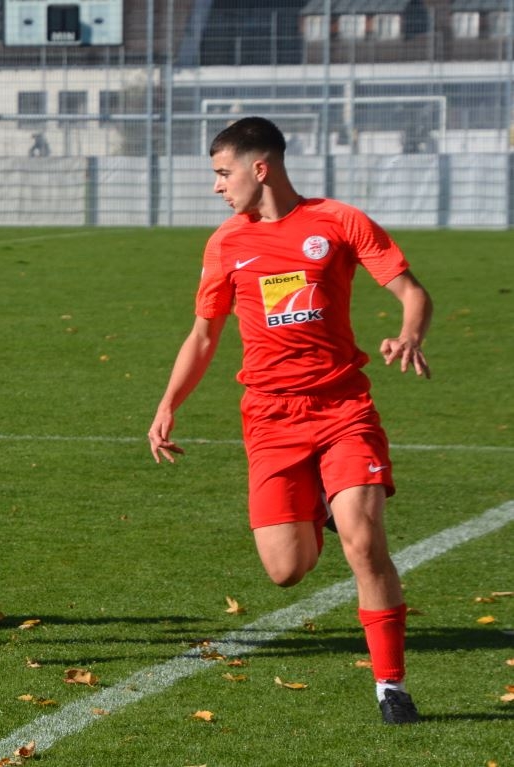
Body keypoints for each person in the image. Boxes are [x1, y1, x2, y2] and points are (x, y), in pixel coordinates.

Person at [147, 117, 432, 724]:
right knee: (286, 570)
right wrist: (168, 404)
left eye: (223, 173)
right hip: (270, 419)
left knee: (364, 542)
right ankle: (325, 503)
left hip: (341, 408)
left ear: (261, 168)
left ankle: (391, 686)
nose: (217, 186)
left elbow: (412, 293)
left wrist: (409, 334)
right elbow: (204, 335)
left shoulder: (339, 221)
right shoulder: (226, 243)